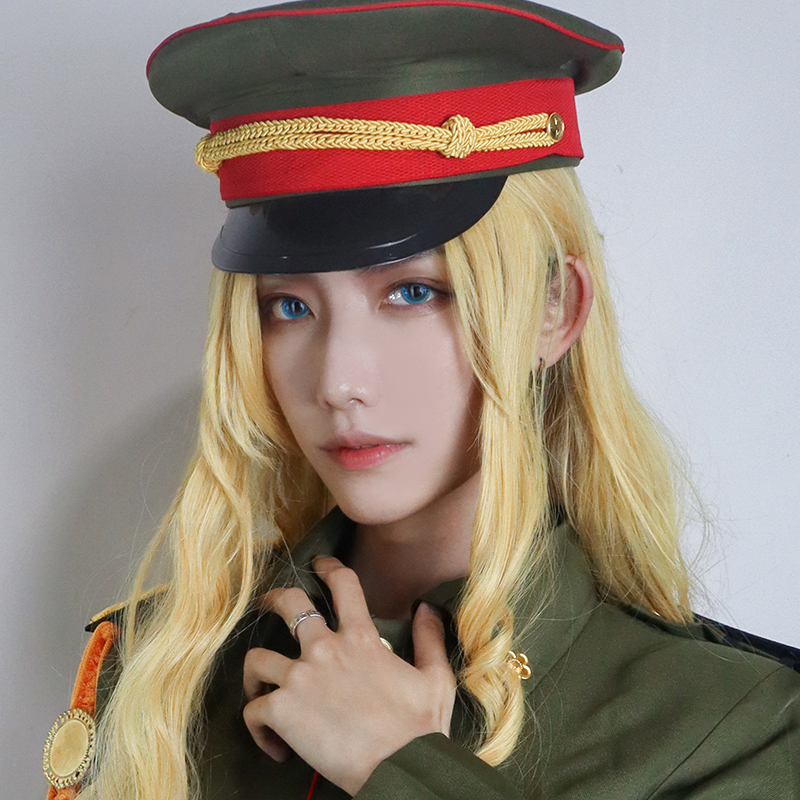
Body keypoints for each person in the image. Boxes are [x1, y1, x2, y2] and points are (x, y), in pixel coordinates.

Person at [42, 1, 800, 799]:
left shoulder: (730, 727)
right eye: (289, 307)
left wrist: (398, 765)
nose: (338, 382)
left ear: (554, 310)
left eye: (412, 292)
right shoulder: (162, 680)